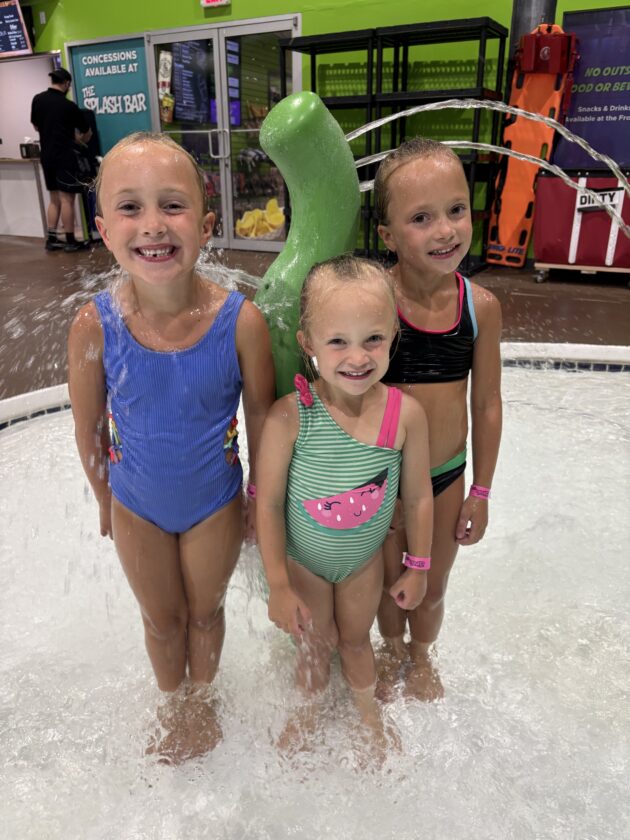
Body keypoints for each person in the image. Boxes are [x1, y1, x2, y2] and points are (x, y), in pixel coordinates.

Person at [67, 131, 275, 763]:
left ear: (207, 226)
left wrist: (258, 500)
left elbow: (262, 420)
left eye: (173, 205)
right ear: (104, 231)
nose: (153, 225)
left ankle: (201, 704)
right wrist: (104, 497)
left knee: (205, 613)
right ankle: (172, 704)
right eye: (130, 207)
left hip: (214, 502)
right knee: (161, 620)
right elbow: (88, 428)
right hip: (137, 503)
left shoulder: (241, 321)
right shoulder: (94, 325)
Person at [256, 255, 433, 755]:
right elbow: (268, 504)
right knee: (316, 644)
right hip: (305, 564)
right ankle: (306, 714)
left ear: (394, 334)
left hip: (362, 564)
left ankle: (368, 714)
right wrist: (278, 584)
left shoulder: (405, 416)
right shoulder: (291, 416)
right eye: (338, 341)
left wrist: (418, 566)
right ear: (308, 343)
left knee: (356, 640)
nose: (358, 357)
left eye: (372, 338)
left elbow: (419, 496)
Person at [374, 137, 503, 701]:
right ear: (388, 236)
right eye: (421, 218)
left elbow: (487, 403)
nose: (445, 231)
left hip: (445, 475)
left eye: (455, 210)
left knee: (432, 580)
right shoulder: (374, 299)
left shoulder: (480, 308)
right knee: (387, 581)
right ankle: (390, 648)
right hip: (380, 477)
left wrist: (481, 490)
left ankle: (421, 653)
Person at [30, 67, 92, 252]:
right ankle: (71, 241)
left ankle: (52, 239)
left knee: (54, 198)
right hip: (64, 155)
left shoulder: (38, 99)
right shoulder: (68, 106)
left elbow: (36, 126)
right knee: (67, 199)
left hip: (46, 155)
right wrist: (79, 140)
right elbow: (86, 131)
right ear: (66, 84)